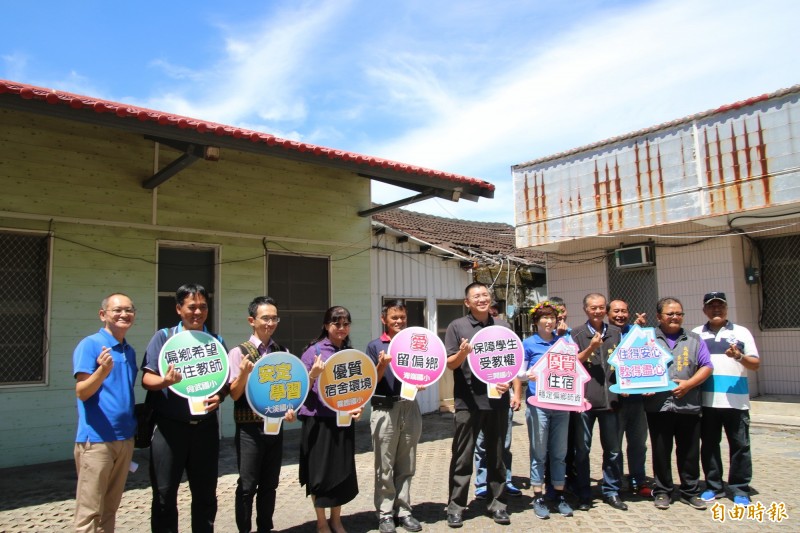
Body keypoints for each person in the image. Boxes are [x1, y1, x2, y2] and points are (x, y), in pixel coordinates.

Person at [141, 283, 227, 533]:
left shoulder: (215, 341)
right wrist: (165, 381)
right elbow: (147, 379)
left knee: (205, 494)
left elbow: (225, 382)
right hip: (170, 429)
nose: (198, 312)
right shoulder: (164, 337)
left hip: (205, 429)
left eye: (203, 307)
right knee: (165, 494)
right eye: (192, 307)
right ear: (179, 309)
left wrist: (220, 397)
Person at [444, 282, 519, 528]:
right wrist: (464, 353)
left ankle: (497, 504)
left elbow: (512, 363)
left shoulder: (502, 326)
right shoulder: (458, 326)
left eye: (485, 294)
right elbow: (451, 364)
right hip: (468, 402)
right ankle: (456, 506)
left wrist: (508, 383)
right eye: (476, 296)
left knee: (497, 455)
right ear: (467, 302)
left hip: (498, 401)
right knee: (463, 457)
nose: (481, 299)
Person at [227, 296, 296, 533]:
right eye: (265, 318)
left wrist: (290, 412)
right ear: (251, 321)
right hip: (249, 429)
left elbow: (288, 392)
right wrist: (244, 374)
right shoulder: (239, 353)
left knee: (270, 485)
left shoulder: (282, 351)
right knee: (247, 486)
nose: (270, 323)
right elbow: (234, 395)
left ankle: (265, 528)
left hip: (275, 428)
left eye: (274, 318)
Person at [73, 293, 138, 532]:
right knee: (90, 512)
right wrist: (101, 371)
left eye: (129, 310)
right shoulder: (90, 345)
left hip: (124, 438)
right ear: (103, 315)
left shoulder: (128, 350)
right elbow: (82, 391)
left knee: (110, 508)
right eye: (117, 310)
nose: (124, 314)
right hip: (96, 440)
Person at [298, 306, 363, 533]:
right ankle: (322, 522)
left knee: (341, 473)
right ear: (326, 326)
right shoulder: (312, 352)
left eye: (345, 324)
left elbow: (357, 387)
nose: (341, 328)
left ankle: (336, 520)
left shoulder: (349, 352)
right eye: (337, 324)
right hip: (318, 421)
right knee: (320, 474)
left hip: (342, 421)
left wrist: (358, 408)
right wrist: (313, 374)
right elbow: (298, 390)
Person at [644, 297, 713, 511]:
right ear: (658, 317)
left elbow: (707, 366)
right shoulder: (646, 339)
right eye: (670, 314)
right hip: (658, 405)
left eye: (679, 314)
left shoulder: (694, 339)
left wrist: (689, 384)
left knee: (690, 452)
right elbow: (633, 365)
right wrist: (641, 386)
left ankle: (690, 491)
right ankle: (663, 491)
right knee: (661, 451)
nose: (675, 317)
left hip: (688, 405)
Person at [693, 292, 760, 506]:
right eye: (711, 306)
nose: (716, 310)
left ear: (726, 308)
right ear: (704, 310)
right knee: (710, 445)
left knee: (740, 445)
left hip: (736, 401)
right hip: (707, 401)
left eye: (720, 306)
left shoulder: (742, 332)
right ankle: (713, 486)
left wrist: (739, 356)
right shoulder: (696, 334)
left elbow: (755, 364)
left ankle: (740, 488)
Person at [366, 300, 423, 533]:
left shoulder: (414, 344)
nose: (399, 321)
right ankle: (385, 514)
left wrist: (423, 381)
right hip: (384, 408)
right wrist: (381, 365)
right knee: (385, 464)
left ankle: (405, 511)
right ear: (384, 320)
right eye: (394, 318)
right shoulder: (375, 345)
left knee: (407, 462)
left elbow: (422, 370)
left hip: (410, 406)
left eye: (402, 317)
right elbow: (371, 382)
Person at [571, 293, 627, 511]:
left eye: (601, 307)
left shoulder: (615, 333)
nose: (597, 311)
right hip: (584, 401)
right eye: (593, 308)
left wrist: (629, 386)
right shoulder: (576, 333)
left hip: (612, 401)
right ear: (585, 309)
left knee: (613, 450)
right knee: (582, 449)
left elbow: (627, 362)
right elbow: (572, 362)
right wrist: (592, 347)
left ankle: (611, 490)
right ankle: (584, 493)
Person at [519, 301, 574, 520]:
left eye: (552, 317)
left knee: (559, 453)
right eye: (544, 317)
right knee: (539, 453)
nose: (549, 321)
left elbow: (574, 366)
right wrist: (529, 374)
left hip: (561, 404)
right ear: (536, 321)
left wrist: (566, 333)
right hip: (538, 404)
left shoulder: (564, 341)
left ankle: (559, 495)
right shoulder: (528, 343)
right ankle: (538, 495)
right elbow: (520, 372)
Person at [474, 302, 522, 503]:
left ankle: (506, 479)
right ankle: (481, 483)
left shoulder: (506, 339)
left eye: (494, 316)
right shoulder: (476, 340)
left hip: (503, 400)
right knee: (481, 444)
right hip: (480, 403)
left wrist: (516, 394)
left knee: (505, 443)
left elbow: (515, 370)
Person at [606, 299, 652, 498]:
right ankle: (615, 484)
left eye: (624, 311)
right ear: (608, 314)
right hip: (614, 401)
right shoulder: (603, 335)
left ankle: (638, 480)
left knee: (638, 444)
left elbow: (650, 360)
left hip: (637, 400)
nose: (620, 315)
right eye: (616, 311)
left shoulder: (639, 333)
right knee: (613, 447)